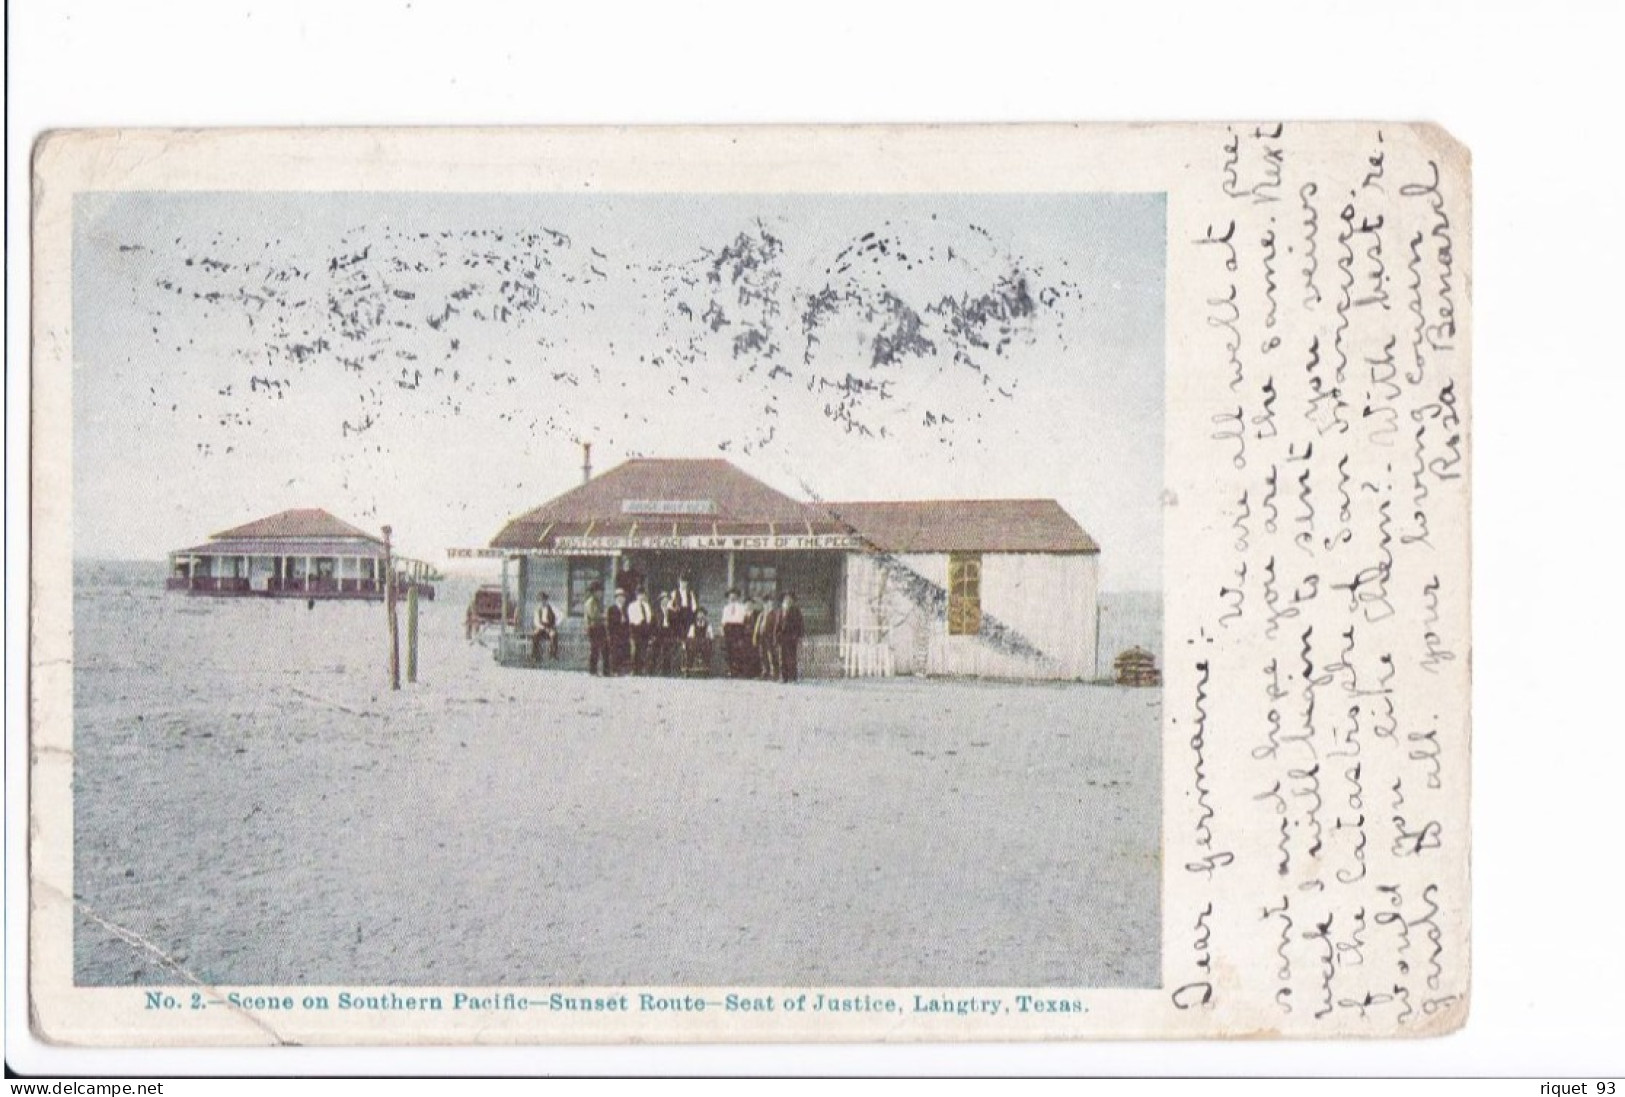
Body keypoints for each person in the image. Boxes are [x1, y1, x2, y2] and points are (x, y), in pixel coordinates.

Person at [777, 591, 805, 683]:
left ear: (792, 600)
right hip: (782, 637)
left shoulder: (796, 611)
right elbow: (777, 624)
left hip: (792, 637)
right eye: (786, 599)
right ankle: (783, 677)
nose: (787, 600)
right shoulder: (781, 610)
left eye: (789, 599)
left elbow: (800, 624)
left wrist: (799, 636)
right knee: (782, 658)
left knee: (791, 658)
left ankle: (792, 677)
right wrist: (776, 635)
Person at [720, 588, 748, 677]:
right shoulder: (726, 608)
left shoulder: (742, 607)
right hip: (728, 629)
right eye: (730, 597)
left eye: (734, 596)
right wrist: (722, 630)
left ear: (737, 597)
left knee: (737, 650)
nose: (732, 598)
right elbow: (723, 621)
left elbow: (743, 619)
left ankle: (738, 670)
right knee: (729, 650)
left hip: (738, 629)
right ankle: (730, 670)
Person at [627, 587, 655, 675]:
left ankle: (642, 669)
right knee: (636, 649)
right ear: (636, 595)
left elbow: (649, 618)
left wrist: (647, 627)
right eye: (639, 595)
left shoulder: (647, 606)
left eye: (643, 595)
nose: (641, 597)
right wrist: (640, 622)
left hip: (645, 630)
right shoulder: (632, 606)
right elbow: (632, 619)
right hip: (636, 629)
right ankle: (634, 670)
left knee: (644, 649)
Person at [584, 581, 608, 676]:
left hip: (600, 628)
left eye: (601, 591)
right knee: (595, 650)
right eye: (599, 591)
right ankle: (592, 670)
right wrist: (605, 615)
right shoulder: (590, 602)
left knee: (605, 649)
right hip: (594, 628)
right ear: (594, 592)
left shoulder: (598, 602)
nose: (601, 593)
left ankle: (605, 671)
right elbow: (594, 615)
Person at [755, 594, 781, 681]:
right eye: (765, 603)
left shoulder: (775, 614)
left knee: (771, 655)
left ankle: (774, 673)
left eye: (769, 603)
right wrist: (756, 635)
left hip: (770, 636)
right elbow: (758, 626)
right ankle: (765, 671)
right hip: (762, 637)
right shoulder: (762, 614)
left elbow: (776, 626)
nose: (767, 605)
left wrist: (775, 636)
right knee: (763, 654)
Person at [606, 588, 631, 676]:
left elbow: (628, 622)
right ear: (616, 598)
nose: (621, 599)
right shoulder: (612, 609)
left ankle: (621, 670)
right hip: (615, 634)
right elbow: (610, 623)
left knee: (623, 652)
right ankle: (614, 670)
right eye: (619, 597)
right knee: (615, 652)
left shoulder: (626, 609)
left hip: (624, 634)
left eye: (623, 598)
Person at [685, 606, 715, 676]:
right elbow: (690, 636)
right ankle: (689, 668)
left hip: (704, 645)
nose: (700, 616)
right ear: (696, 616)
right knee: (690, 649)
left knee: (707, 648)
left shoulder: (708, 626)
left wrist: (708, 636)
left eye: (702, 614)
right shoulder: (693, 626)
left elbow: (711, 637)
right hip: (695, 644)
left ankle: (707, 668)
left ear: (705, 616)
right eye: (699, 614)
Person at [531, 591, 559, 663]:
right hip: (541, 627)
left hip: (550, 626)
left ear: (546, 600)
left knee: (553, 635)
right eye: (540, 600)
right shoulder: (538, 609)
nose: (542, 602)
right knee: (535, 634)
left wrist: (554, 624)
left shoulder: (552, 607)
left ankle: (553, 656)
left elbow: (560, 616)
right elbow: (536, 621)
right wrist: (542, 627)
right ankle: (535, 656)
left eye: (543, 600)